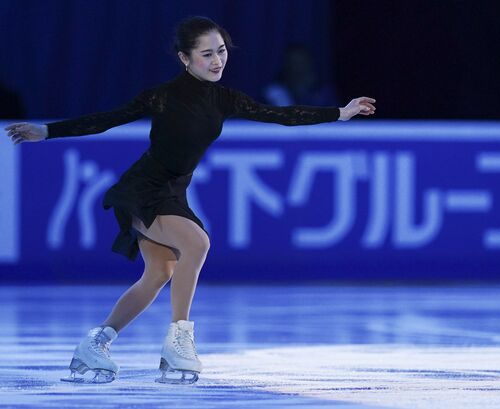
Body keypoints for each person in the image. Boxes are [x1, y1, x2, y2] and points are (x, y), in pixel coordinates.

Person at [4, 16, 376, 385]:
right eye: (206, 54)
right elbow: (109, 119)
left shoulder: (225, 99)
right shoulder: (163, 97)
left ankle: (96, 343)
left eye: (221, 51)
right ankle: (178, 341)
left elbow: (280, 115)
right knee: (197, 242)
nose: (217, 61)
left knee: (157, 275)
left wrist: (339, 113)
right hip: (144, 189)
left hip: (174, 191)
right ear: (184, 58)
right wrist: (48, 131)